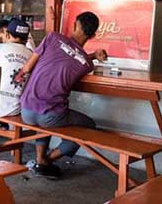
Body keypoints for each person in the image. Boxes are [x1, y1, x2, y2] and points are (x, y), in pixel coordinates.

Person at [16, 11, 107, 179]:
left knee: (45, 113)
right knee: (88, 126)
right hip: (50, 117)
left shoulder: (52, 37)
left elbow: (27, 68)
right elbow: (75, 58)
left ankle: (40, 160)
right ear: (93, 35)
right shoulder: (87, 65)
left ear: (74, 25)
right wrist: (93, 56)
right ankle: (48, 160)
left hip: (26, 110)